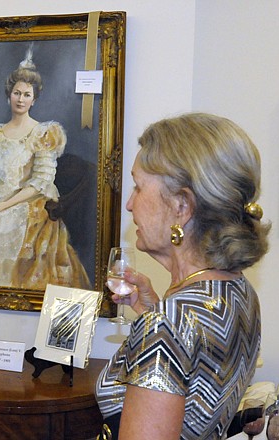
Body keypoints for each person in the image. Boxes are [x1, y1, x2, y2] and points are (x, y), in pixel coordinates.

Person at [95, 113, 270, 439]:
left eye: (138, 186)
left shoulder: (167, 325)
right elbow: (199, 384)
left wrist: (158, 322)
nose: (130, 204)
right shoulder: (239, 290)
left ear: (181, 206)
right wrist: (153, 312)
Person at [0, 48, 90, 290]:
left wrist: (7, 204)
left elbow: (41, 181)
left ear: (34, 99)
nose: (21, 99)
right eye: (16, 93)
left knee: (4, 224)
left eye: (26, 95)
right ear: (9, 95)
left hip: (29, 200)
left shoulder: (43, 133)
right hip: (1, 194)